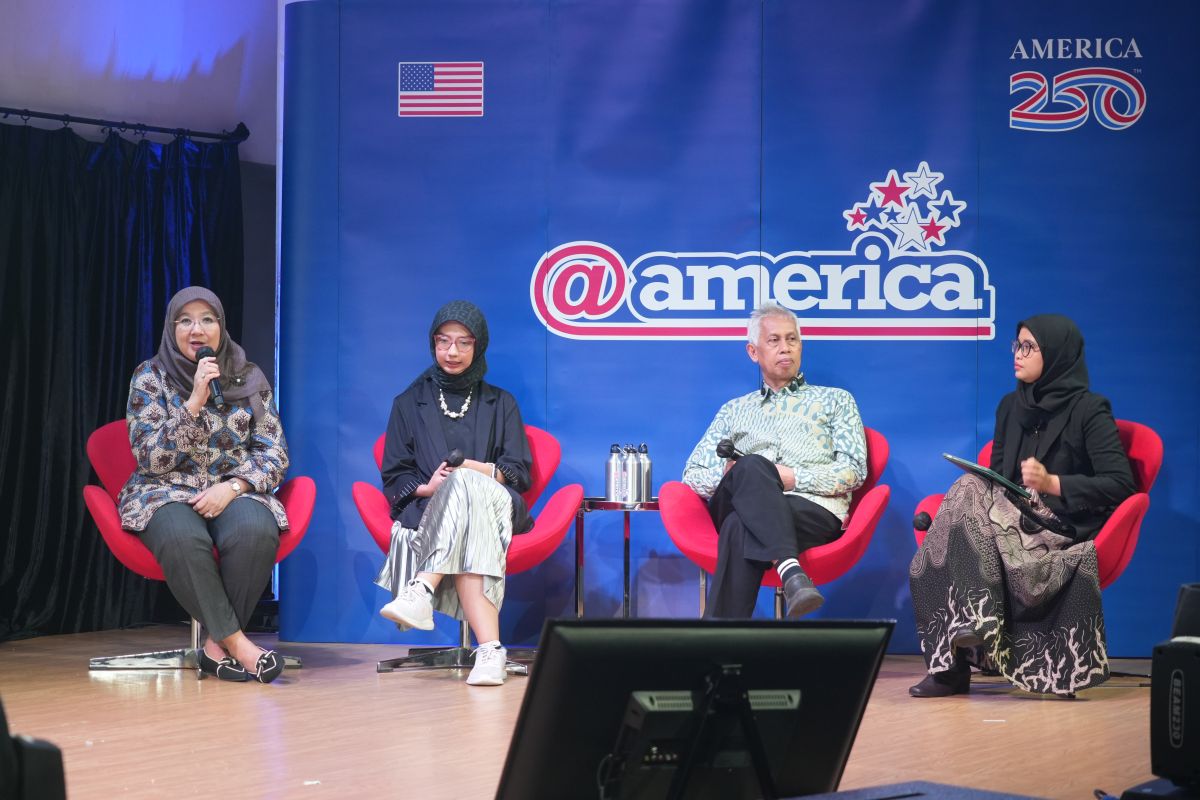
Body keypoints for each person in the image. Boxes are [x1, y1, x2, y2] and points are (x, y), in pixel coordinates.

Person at [908, 314, 1136, 697]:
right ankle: (960, 648)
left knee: (956, 517)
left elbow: (1120, 484)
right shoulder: (1010, 406)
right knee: (967, 490)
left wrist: (1052, 483)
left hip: (1057, 524)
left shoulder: (1090, 410)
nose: (1018, 354)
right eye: (1017, 345)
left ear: (1057, 354)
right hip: (1011, 514)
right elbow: (997, 477)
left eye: (1029, 347)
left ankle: (953, 662)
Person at [118, 287, 290, 684]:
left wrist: (234, 487)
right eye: (186, 321)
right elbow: (151, 458)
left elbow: (275, 452)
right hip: (165, 490)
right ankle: (239, 645)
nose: (197, 329)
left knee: (255, 531)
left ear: (221, 326)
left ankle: (214, 648)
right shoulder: (149, 377)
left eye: (207, 319)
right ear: (172, 328)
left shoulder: (250, 377)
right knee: (183, 537)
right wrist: (194, 400)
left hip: (233, 487)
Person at [374, 300, 533, 686]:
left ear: (479, 346)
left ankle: (422, 589)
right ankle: (491, 650)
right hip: (432, 506)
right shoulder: (408, 403)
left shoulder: (502, 403)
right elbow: (395, 473)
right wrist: (429, 487)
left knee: (464, 484)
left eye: (464, 342)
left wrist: (469, 471)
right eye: (443, 341)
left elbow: (517, 472)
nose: (452, 351)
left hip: (498, 504)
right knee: (469, 523)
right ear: (433, 343)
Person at [682, 301, 867, 618]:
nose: (785, 348)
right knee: (751, 466)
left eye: (792, 339)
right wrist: (732, 475)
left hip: (811, 509)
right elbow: (692, 474)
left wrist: (792, 478)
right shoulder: (734, 410)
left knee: (739, 526)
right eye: (774, 340)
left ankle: (719, 642)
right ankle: (791, 571)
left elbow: (854, 471)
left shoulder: (836, 400)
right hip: (740, 497)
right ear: (753, 352)